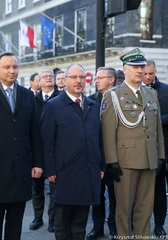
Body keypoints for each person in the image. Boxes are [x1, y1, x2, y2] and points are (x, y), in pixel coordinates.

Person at [0, 52, 43, 240]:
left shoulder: (28, 95)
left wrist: (38, 163)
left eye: (15, 67)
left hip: (21, 167)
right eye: (7, 67)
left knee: (16, 219)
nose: (12, 71)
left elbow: (35, 132)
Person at [101, 48, 165, 237]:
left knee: (145, 210)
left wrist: (160, 155)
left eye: (142, 66)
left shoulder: (151, 94)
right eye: (135, 66)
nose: (140, 70)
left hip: (149, 159)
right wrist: (111, 160)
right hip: (125, 161)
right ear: (125, 69)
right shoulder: (113, 95)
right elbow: (107, 131)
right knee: (124, 210)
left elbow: (157, 128)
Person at [41, 64, 104, 240]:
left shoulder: (92, 105)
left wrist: (101, 165)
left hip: (88, 174)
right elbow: (46, 141)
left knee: (80, 225)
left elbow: (99, 139)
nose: (78, 81)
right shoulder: (53, 106)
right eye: (74, 77)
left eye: (82, 77)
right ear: (65, 80)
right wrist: (50, 169)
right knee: (62, 225)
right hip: (63, 174)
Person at [86, 67, 117, 239]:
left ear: (111, 80)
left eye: (100, 78)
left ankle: (113, 227)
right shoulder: (91, 101)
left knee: (115, 196)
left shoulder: (119, 99)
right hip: (96, 156)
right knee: (96, 196)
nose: (96, 81)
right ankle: (97, 227)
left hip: (115, 157)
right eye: (96, 78)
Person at [143, 60, 168, 237]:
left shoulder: (167, 91)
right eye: (145, 73)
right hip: (140, 152)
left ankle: (159, 225)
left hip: (163, 152)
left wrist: (157, 121)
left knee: (159, 192)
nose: (147, 77)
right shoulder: (133, 91)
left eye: (150, 74)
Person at [30, 69, 59, 232]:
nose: (48, 78)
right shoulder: (32, 100)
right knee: (37, 187)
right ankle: (37, 217)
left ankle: (53, 220)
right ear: (38, 82)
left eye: (50, 76)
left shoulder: (60, 98)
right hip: (36, 150)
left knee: (54, 187)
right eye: (44, 77)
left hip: (55, 150)